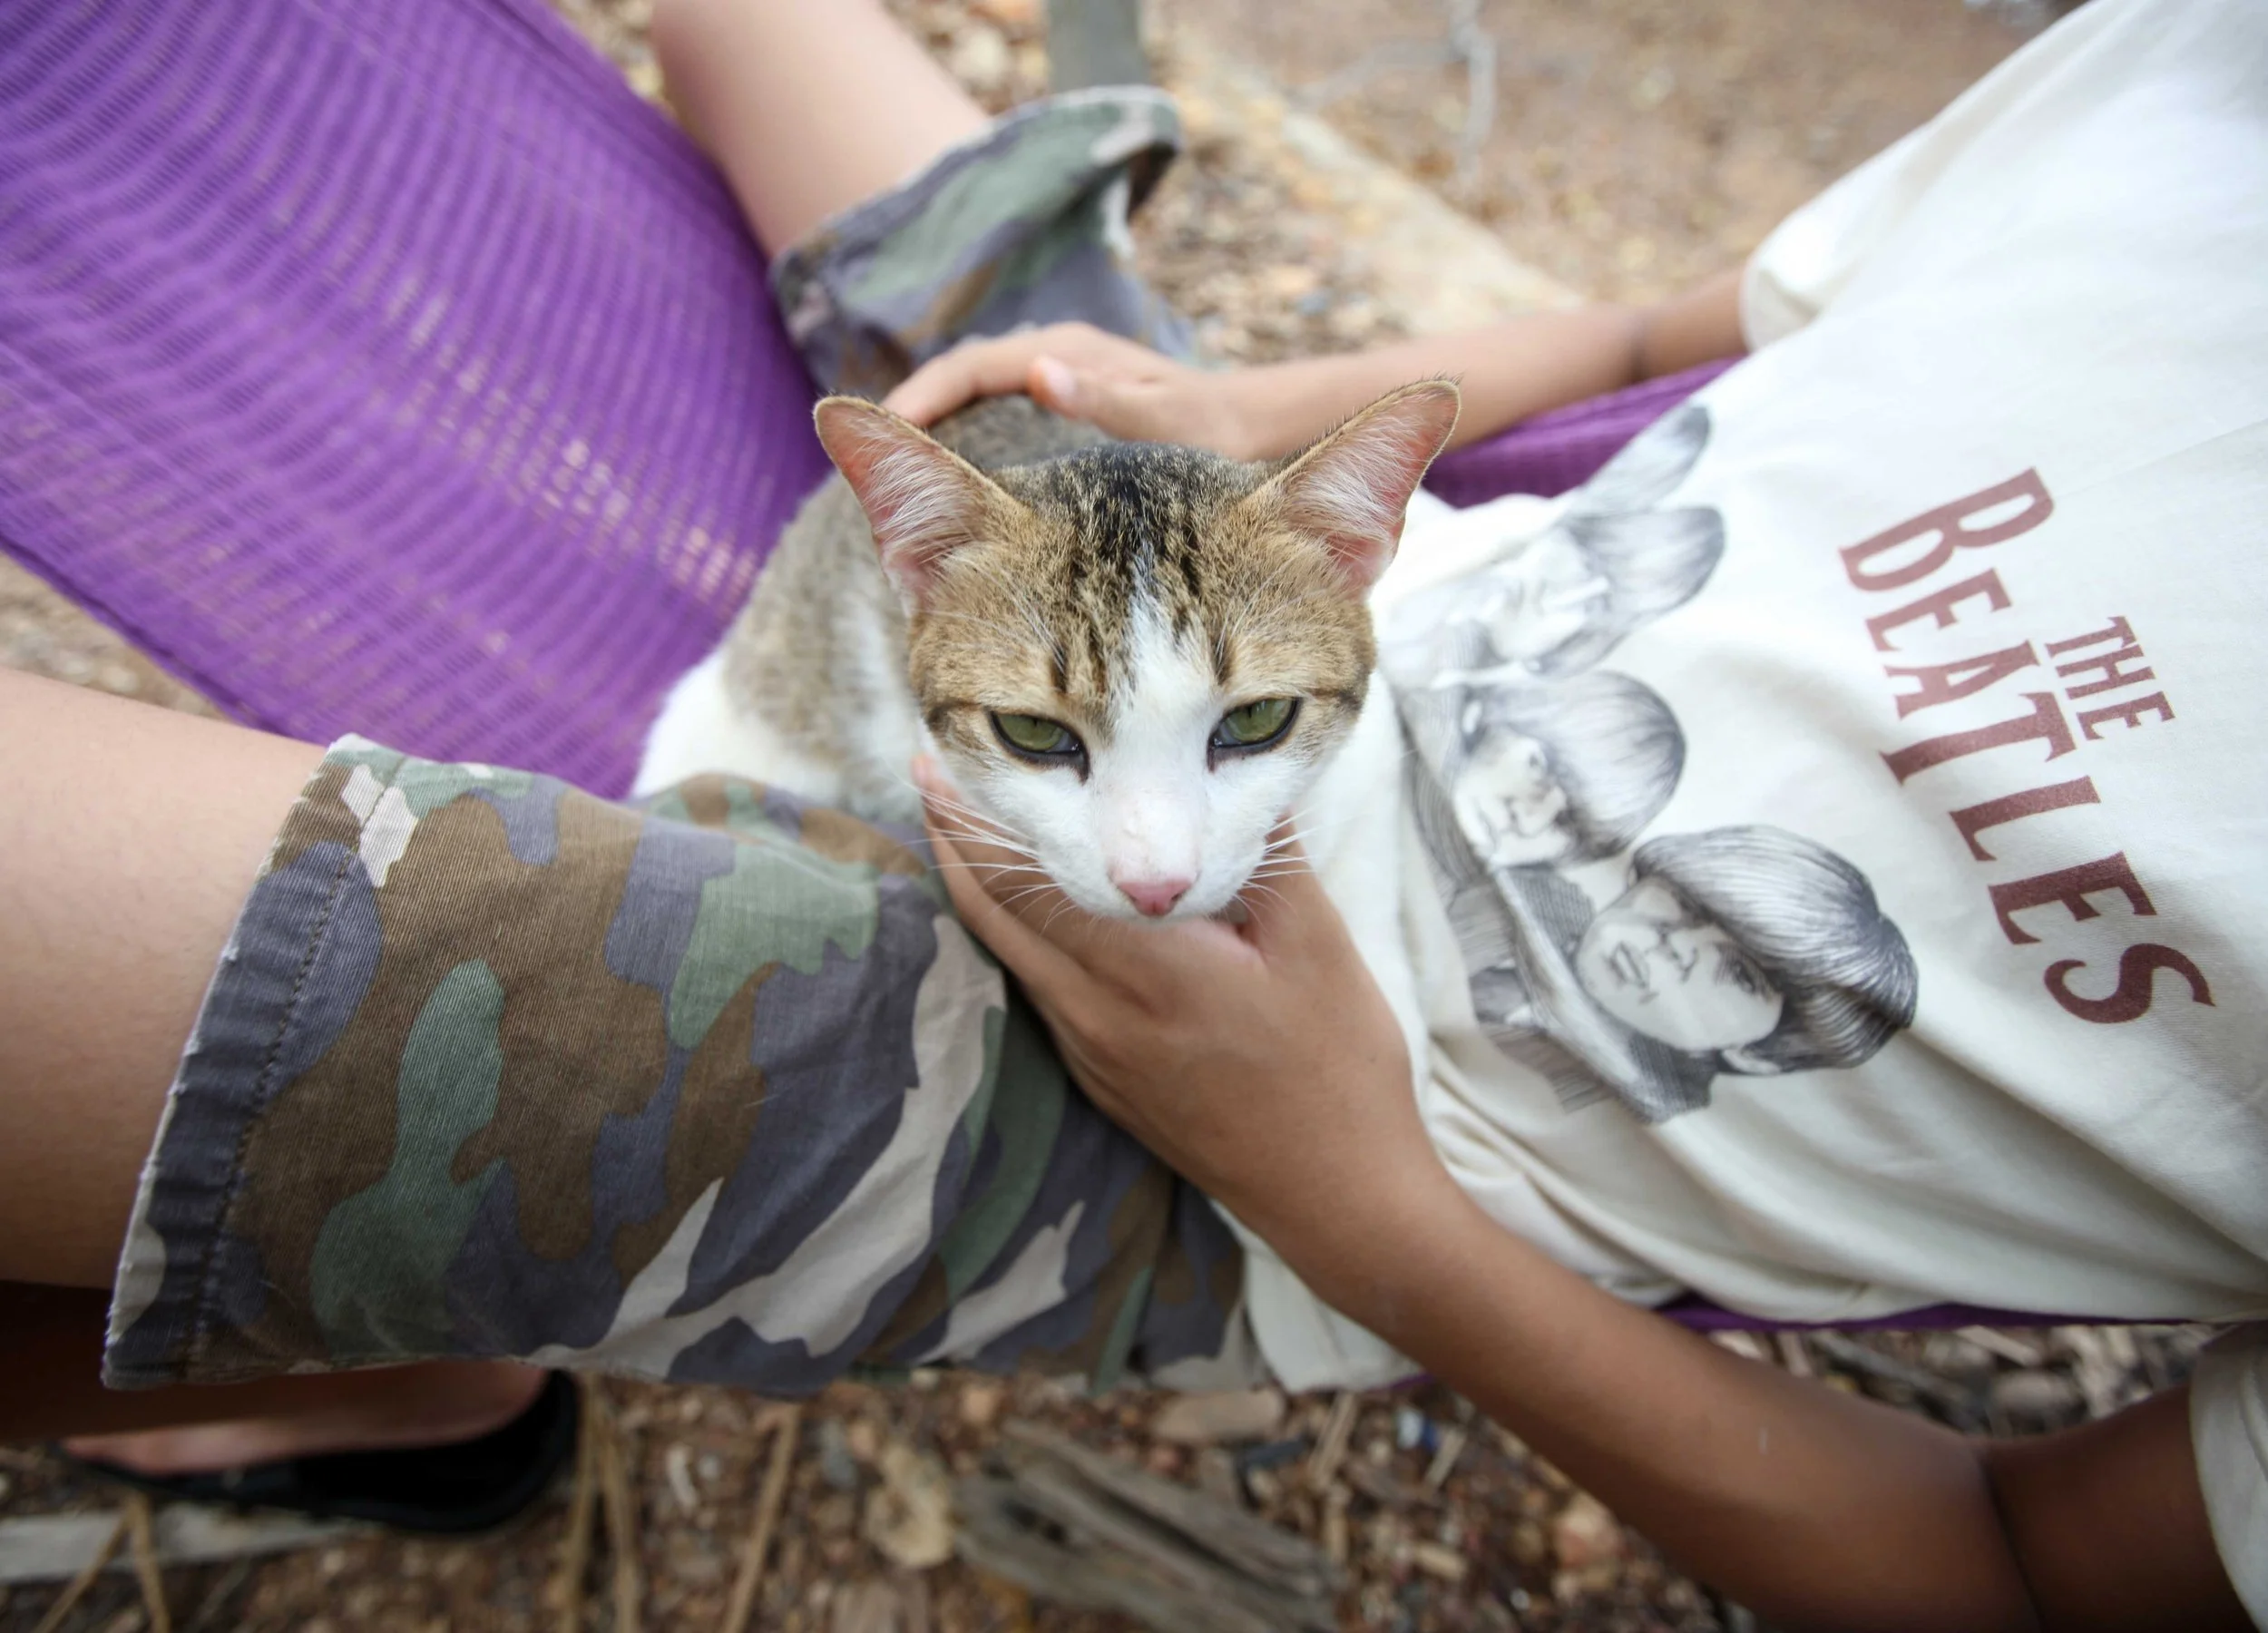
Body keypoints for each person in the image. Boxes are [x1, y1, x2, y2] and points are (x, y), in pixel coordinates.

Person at [3, 0, 2262, 1628]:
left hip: (1307, 1147)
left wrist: (1358, 1202)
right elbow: (1702, 318)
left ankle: (416, 1383)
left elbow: (2022, 1580)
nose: (1167, 858)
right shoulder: (2197, 78)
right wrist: (1252, 416)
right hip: (1249, 591)